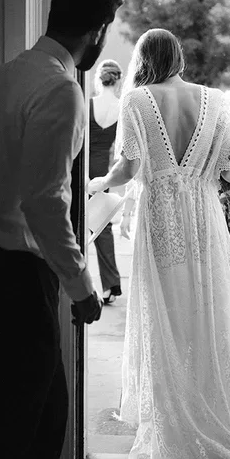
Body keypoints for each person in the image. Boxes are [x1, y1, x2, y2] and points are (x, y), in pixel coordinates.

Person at [88, 28, 230, 459]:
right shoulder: (216, 100)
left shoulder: (137, 100)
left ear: (143, 59)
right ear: (178, 57)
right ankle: (219, 424)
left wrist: (97, 183)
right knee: (209, 316)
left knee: (167, 319)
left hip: (162, 220)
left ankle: (178, 433)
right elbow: (229, 165)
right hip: (204, 220)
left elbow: (130, 168)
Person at [0, 0, 123, 459]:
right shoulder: (60, 90)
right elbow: (46, 201)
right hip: (18, 275)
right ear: (97, 31)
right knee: (19, 425)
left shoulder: (7, 75)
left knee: (41, 411)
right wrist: (82, 286)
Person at [88, 59, 123, 304]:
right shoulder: (121, 108)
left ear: (98, 79)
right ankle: (110, 286)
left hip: (82, 170)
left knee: (74, 222)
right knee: (102, 226)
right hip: (103, 173)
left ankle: (72, 282)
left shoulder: (88, 104)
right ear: (118, 80)